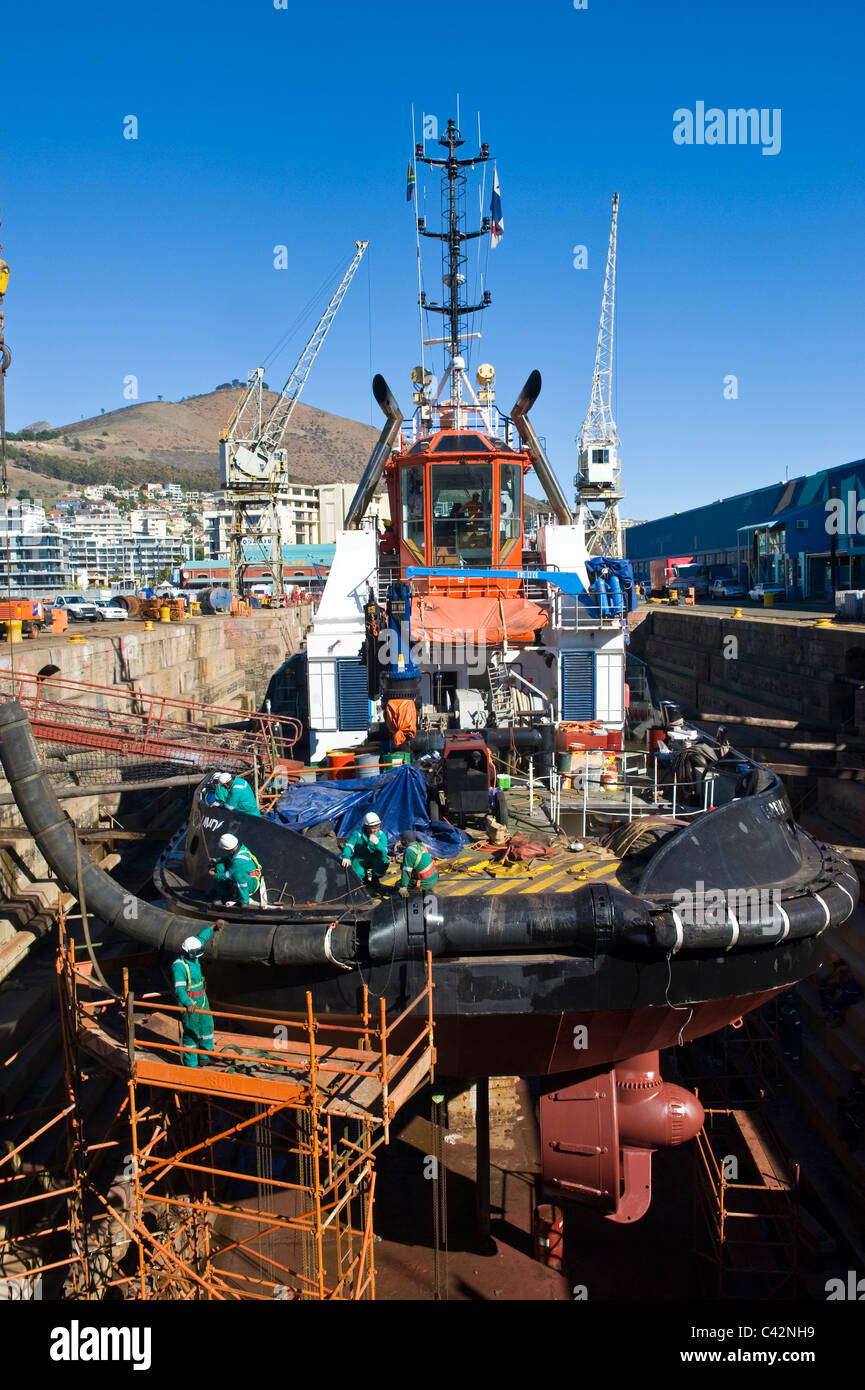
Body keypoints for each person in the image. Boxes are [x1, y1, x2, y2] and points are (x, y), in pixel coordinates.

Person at [171, 923, 222, 1067]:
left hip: (202, 999)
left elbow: (201, 938)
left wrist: (213, 927)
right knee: (191, 1032)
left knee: (207, 1026)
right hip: (190, 1002)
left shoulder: (194, 953)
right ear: (187, 952)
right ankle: (191, 1064)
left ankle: (205, 1056)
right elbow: (179, 989)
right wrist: (188, 1004)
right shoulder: (179, 966)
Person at [210, 832, 267, 906]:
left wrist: (214, 875)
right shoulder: (239, 848)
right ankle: (222, 896)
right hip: (241, 875)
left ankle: (244, 901)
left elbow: (226, 876)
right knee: (219, 867)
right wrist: (217, 860)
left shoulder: (239, 860)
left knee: (238, 875)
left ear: (229, 849)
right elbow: (230, 857)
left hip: (251, 882)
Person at [341, 811, 390, 892]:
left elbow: (384, 852)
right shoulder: (357, 834)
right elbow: (349, 846)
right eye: (373, 827)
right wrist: (346, 857)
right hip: (360, 858)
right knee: (357, 873)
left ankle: (374, 880)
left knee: (383, 862)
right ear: (367, 826)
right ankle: (362, 883)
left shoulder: (381, 835)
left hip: (375, 858)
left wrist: (377, 844)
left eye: (378, 826)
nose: (376, 830)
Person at [397, 832, 439, 897]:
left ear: (406, 841)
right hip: (434, 876)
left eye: (401, 840)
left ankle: (414, 896)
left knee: (398, 884)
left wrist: (404, 886)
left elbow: (407, 871)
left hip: (426, 881)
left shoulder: (409, 851)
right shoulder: (420, 845)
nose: (400, 842)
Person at [838, 1066, 865, 1151]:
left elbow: (858, 1103)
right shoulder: (855, 1086)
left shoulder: (860, 1088)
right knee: (846, 1115)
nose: (852, 1076)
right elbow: (852, 1098)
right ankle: (845, 1135)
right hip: (856, 1110)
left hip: (861, 1113)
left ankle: (854, 1145)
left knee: (853, 1123)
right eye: (853, 1074)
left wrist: (846, 1106)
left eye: (855, 1074)